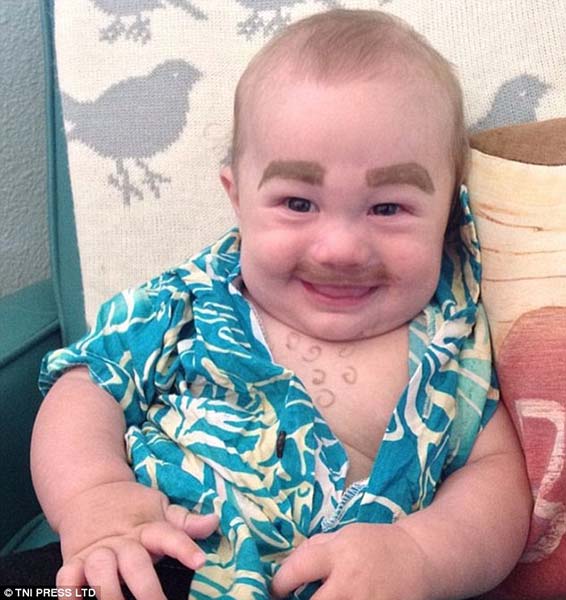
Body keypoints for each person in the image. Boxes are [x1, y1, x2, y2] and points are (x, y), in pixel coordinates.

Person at [19, 8, 531, 600]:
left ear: (449, 215)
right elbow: (87, 386)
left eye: (388, 208)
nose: (340, 248)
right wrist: (95, 495)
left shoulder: (452, 345)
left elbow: (495, 481)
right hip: (160, 560)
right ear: (237, 198)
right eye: (298, 203)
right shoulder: (189, 303)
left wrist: (419, 554)